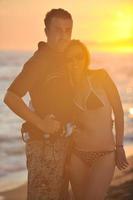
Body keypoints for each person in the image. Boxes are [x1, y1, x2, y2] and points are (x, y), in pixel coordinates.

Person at [3, 8, 74, 200]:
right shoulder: (39, 61)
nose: (64, 36)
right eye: (58, 30)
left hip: (63, 143)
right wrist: (41, 123)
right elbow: (11, 97)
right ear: (46, 32)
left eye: (68, 30)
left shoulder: (65, 59)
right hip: (44, 146)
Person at [65, 40, 129, 200]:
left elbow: (119, 111)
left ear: (85, 58)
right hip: (77, 154)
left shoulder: (100, 76)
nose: (74, 62)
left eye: (78, 57)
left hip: (105, 154)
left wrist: (119, 146)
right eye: (69, 59)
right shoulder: (66, 87)